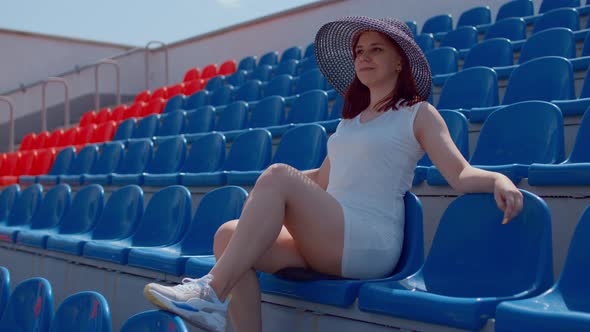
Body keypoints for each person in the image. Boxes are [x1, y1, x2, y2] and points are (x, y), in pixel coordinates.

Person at [143, 16, 524, 332]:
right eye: (360, 51)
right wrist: (267, 188)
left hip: (369, 241)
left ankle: (211, 292)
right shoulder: (350, 123)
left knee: (277, 176)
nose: (364, 57)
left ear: (399, 62)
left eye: (377, 49)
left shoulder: (418, 113)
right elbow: (323, 181)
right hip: (331, 235)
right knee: (229, 234)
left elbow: (460, 173)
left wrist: (499, 181)